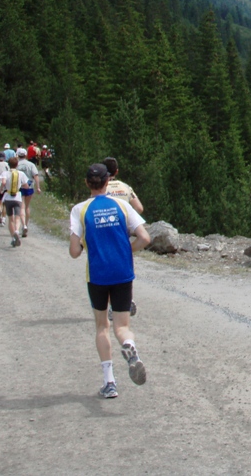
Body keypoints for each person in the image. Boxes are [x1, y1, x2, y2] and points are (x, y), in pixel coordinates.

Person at [69, 163, 150, 399]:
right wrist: (127, 250)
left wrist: (84, 243)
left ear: (87, 183)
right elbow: (145, 237)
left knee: (102, 326)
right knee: (122, 327)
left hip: (97, 274)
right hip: (122, 271)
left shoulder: (79, 210)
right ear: (108, 182)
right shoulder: (121, 205)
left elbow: (74, 252)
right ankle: (130, 346)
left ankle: (110, 382)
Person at [104, 156, 143, 317]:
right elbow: (139, 208)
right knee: (124, 267)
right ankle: (127, 299)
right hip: (122, 232)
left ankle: (112, 306)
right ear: (117, 171)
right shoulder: (126, 187)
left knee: (106, 269)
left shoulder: (102, 187)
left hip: (105, 231)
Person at [0, 157, 29, 247]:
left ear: (8, 164)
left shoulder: (5, 173)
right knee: (17, 217)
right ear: (17, 165)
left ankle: (13, 237)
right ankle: (17, 230)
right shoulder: (21, 174)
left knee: (10, 219)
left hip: (8, 197)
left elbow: (3, 182)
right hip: (17, 197)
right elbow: (26, 185)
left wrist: (1, 189)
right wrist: (23, 185)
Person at [16, 148, 41, 238]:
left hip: (19, 187)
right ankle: (26, 224)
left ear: (17, 155)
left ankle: (23, 226)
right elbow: (36, 176)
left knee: (21, 207)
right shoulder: (31, 165)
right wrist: (38, 187)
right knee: (27, 206)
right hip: (29, 187)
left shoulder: (16, 164)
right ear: (26, 155)